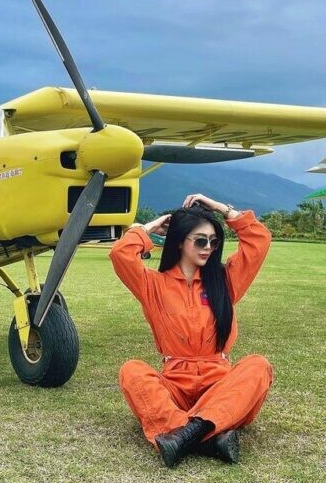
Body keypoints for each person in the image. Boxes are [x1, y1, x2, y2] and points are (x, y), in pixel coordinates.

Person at [109, 193, 273, 467]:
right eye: (199, 240)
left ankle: (183, 433)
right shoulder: (154, 285)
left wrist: (222, 209)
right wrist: (149, 227)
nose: (208, 247)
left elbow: (259, 240)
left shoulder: (225, 281)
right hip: (175, 384)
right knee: (132, 371)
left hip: (219, 384)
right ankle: (207, 435)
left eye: (213, 241)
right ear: (179, 242)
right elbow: (120, 254)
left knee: (258, 366)